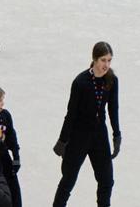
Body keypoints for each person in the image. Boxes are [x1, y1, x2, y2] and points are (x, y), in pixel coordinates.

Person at [52, 42, 121, 207]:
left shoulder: (112, 80)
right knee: (68, 179)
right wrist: (63, 140)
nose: (106, 65)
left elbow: (113, 109)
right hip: (79, 136)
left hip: (99, 135)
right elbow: (71, 114)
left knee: (107, 180)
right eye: (103, 60)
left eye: (109, 60)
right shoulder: (80, 82)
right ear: (94, 59)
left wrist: (117, 134)